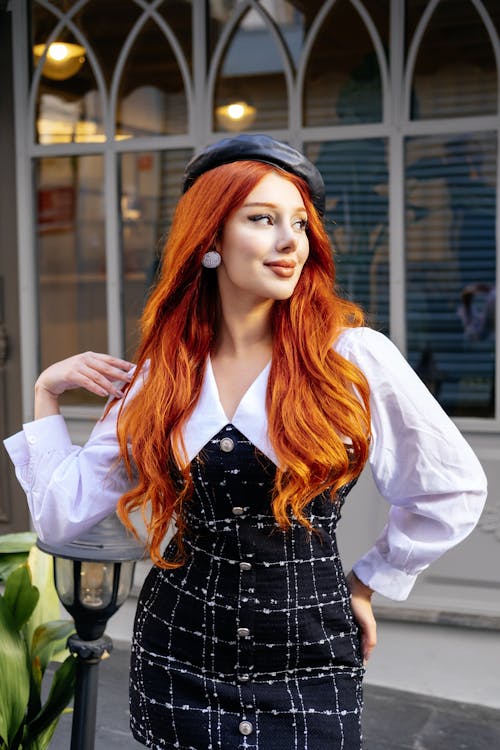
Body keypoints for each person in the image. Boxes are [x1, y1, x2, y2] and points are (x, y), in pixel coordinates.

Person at [4, 134, 487, 750]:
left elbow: (451, 488)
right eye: (262, 220)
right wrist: (46, 393)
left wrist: (372, 582)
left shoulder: (353, 359)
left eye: (300, 224)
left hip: (309, 654)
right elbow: (61, 514)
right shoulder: (164, 374)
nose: (291, 242)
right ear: (210, 240)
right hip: (176, 654)